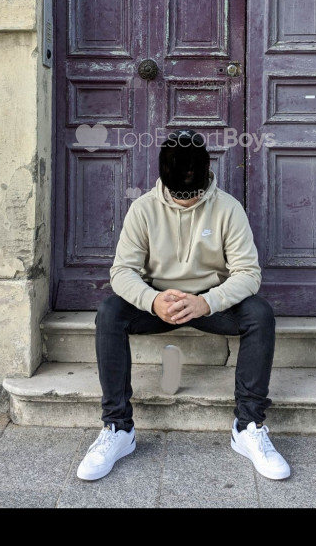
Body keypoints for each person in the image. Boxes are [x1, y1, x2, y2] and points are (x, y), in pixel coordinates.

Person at [77, 129, 290, 483]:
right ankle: (118, 428)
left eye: (193, 195)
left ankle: (248, 426)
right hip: (158, 303)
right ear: (164, 180)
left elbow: (248, 273)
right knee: (110, 312)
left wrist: (206, 302)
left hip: (210, 303)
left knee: (259, 313)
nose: (186, 202)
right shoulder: (143, 209)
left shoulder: (228, 208)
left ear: (206, 176)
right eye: (178, 195)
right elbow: (121, 272)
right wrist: (153, 300)